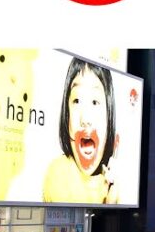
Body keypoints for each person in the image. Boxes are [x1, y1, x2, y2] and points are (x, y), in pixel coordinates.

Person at [43, 58, 121, 204]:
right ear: (67, 114)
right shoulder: (59, 173)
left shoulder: (115, 184)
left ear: (109, 116)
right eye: (77, 100)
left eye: (95, 102)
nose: (85, 119)